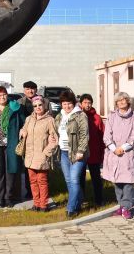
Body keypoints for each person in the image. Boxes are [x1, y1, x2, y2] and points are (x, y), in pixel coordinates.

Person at [102, 91, 134, 220]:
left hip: (128, 154)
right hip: (114, 154)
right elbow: (107, 135)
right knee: (117, 182)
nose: (121, 102)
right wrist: (114, 148)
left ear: (128, 101)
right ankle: (121, 205)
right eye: (119, 101)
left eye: (124, 99)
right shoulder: (112, 116)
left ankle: (126, 207)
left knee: (128, 182)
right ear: (116, 103)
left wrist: (123, 148)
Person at [0, 86, 26, 207]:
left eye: (4, 94)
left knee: (10, 170)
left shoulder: (15, 108)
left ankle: (8, 197)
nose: (2, 97)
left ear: (7, 95)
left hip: (11, 144)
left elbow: (24, 122)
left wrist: (23, 130)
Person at [19, 95, 58, 211]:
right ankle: (36, 204)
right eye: (35, 106)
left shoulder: (49, 120)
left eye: (40, 105)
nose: (37, 107)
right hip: (30, 156)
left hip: (41, 156)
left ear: (44, 105)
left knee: (42, 181)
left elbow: (55, 139)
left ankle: (43, 205)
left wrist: (46, 152)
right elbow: (23, 130)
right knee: (32, 181)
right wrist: (22, 132)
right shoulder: (29, 119)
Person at [54, 90, 89, 218]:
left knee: (74, 180)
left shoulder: (80, 115)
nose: (67, 106)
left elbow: (85, 135)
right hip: (63, 152)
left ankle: (71, 208)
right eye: (64, 103)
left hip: (77, 153)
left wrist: (81, 151)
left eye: (69, 103)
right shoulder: (59, 116)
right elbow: (56, 132)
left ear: (74, 103)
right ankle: (78, 203)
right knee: (69, 180)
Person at [79, 93, 105, 207]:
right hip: (81, 153)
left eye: (89, 103)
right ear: (81, 104)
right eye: (85, 102)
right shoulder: (77, 116)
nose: (87, 105)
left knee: (96, 178)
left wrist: (103, 153)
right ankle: (80, 199)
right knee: (80, 178)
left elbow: (103, 136)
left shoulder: (97, 118)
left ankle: (99, 200)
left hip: (94, 153)